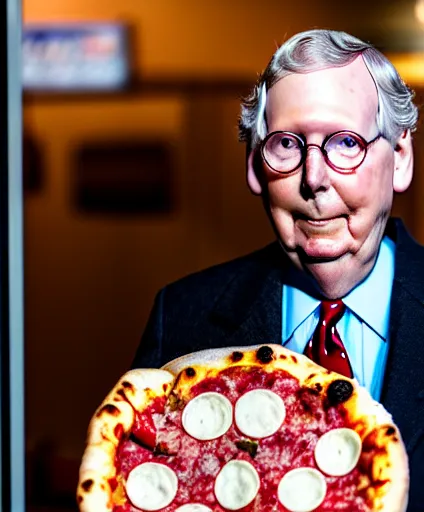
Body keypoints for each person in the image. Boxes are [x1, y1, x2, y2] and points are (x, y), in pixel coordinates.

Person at [131, 29, 424, 510]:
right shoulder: (181, 319)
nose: (314, 179)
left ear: (399, 159)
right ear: (254, 165)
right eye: (287, 144)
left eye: (346, 142)